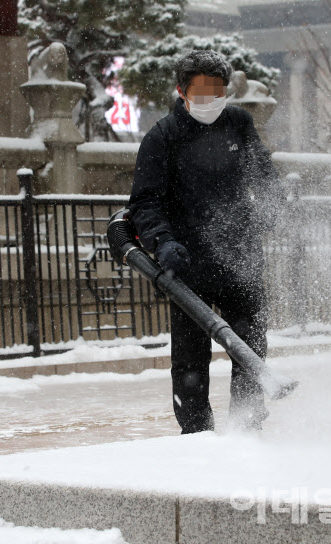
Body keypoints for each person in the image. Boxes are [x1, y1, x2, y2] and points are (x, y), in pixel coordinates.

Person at [128, 49, 285, 433]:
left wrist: (271, 205)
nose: (210, 100)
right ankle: (196, 433)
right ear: (182, 91)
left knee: (249, 345)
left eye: (218, 90)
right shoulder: (163, 136)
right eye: (200, 91)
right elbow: (145, 201)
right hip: (187, 263)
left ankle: (248, 426)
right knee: (190, 358)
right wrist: (162, 241)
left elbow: (263, 173)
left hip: (240, 256)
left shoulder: (238, 124)